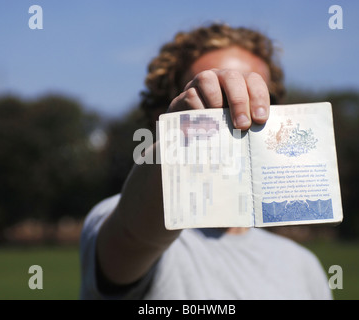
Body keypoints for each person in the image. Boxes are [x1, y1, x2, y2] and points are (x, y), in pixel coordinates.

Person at [79, 23, 332, 299]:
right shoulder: (121, 215)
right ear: (162, 115)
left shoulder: (303, 266)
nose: (239, 111)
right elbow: (134, 237)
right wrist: (179, 140)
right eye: (216, 96)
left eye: (260, 97)